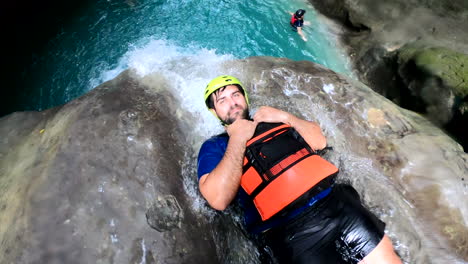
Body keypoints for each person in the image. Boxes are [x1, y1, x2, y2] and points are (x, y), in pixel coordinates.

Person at [197, 75, 402, 264]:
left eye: (236, 95)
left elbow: (319, 141)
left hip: (338, 207)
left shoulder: (272, 120)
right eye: (222, 100)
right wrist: (237, 138)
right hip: (291, 235)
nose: (232, 103)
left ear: (245, 98)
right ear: (214, 112)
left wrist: (284, 116)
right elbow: (218, 199)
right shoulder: (215, 146)